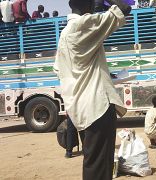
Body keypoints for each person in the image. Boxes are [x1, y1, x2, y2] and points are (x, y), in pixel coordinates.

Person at [53, 0, 131, 179]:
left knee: (94, 162)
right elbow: (124, 8)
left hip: (82, 108)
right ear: (87, 5)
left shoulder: (64, 33)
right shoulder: (83, 24)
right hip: (97, 106)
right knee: (99, 167)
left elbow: (60, 69)